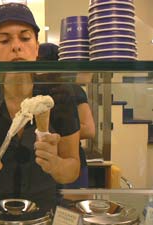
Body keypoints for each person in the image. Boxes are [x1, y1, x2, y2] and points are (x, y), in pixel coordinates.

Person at [0, 3, 80, 211]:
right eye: (4, 40)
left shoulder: (60, 97)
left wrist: (56, 164)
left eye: (25, 38)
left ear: (37, 47)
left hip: (44, 212)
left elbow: (73, 167)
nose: (16, 46)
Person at [37, 43, 96, 188]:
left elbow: (89, 129)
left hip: (70, 163)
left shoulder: (72, 90)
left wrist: (57, 133)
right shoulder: (33, 89)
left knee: (70, 209)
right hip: (40, 162)